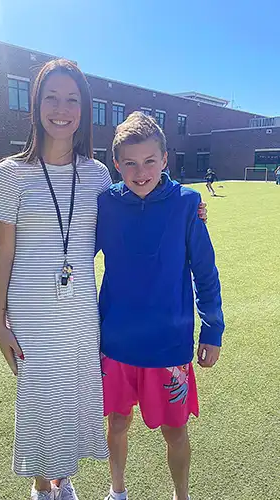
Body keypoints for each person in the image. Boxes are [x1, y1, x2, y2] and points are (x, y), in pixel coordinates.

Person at [0, 60, 207, 500]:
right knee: (39, 395)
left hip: (85, 310)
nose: (61, 108)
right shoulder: (11, 174)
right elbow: (4, 251)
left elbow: (141, 191)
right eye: (51, 97)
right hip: (33, 307)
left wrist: (191, 205)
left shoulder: (95, 175)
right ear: (35, 103)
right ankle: (42, 483)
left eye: (73, 99)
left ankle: (65, 477)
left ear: (84, 109)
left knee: (73, 393)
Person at [96, 112, 224, 500]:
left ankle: (181, 495)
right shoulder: (104, 204)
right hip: (116, 342)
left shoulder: (187, 204)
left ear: (165, 159)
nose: (140, 172)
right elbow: (76, 257)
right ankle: (117, 490)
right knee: (118, 421)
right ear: (116, 164)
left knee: (176, 429)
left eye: (150, 160)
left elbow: (205, 271)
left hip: (169, 345)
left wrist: (213, 329)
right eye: (130, 163)